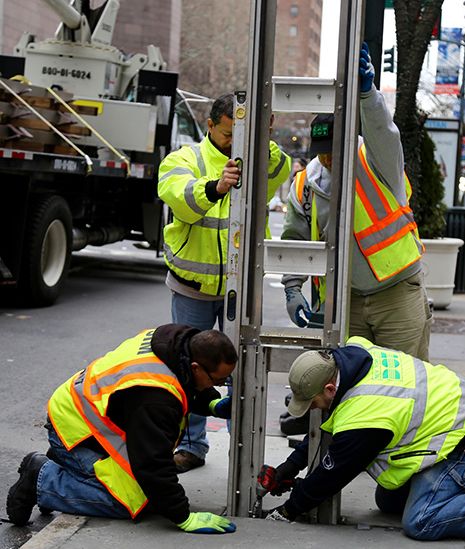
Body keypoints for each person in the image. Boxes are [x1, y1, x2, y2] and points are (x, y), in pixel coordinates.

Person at [261, 340, 465, 540]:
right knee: (388, 500)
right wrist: (291, 465)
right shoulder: (353, 355)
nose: (311, 410)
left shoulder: (365, 414)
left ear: (329, 388)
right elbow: (331, 432)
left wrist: (287, 511)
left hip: (464, 441)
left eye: (312, 402)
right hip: (457, 421)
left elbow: (332, 473)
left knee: (421, 520)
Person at [158, 94, 291, 472]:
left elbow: (280, 167)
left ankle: (243, 451)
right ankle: (191, 446)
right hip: (193, 287)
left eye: (243, 133)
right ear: (211, 126)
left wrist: (258, 134)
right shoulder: (185, 159)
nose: (236, 142)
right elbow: (178, 197)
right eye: (230, 133)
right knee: (190, 368)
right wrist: (215, 186)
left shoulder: (259, 157)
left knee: (241, 366)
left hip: (241, 287)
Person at [6, 324, 237, 534]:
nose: (219, 386)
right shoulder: (155, 398)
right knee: (126, 502)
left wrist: (211, 403)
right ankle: (41, 479)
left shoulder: (176, 343)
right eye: (218, 380)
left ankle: (68, 467)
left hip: (90, 416)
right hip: (75, 428)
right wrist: (183, 517)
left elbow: (185, 382)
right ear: (196, 367)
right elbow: (151, 464)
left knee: (149, 494)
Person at [281, 43, 431, 361]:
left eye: (334, 149)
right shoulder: (304, 185)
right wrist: (292, 288)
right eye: (322, 150)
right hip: (345, 301)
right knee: (353, 390)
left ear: (350, 138)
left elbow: (384, 134)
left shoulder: (377, 162)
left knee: (406, 383)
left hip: (397, 292)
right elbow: (294, 240)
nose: (327, 157)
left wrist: (368, 97)